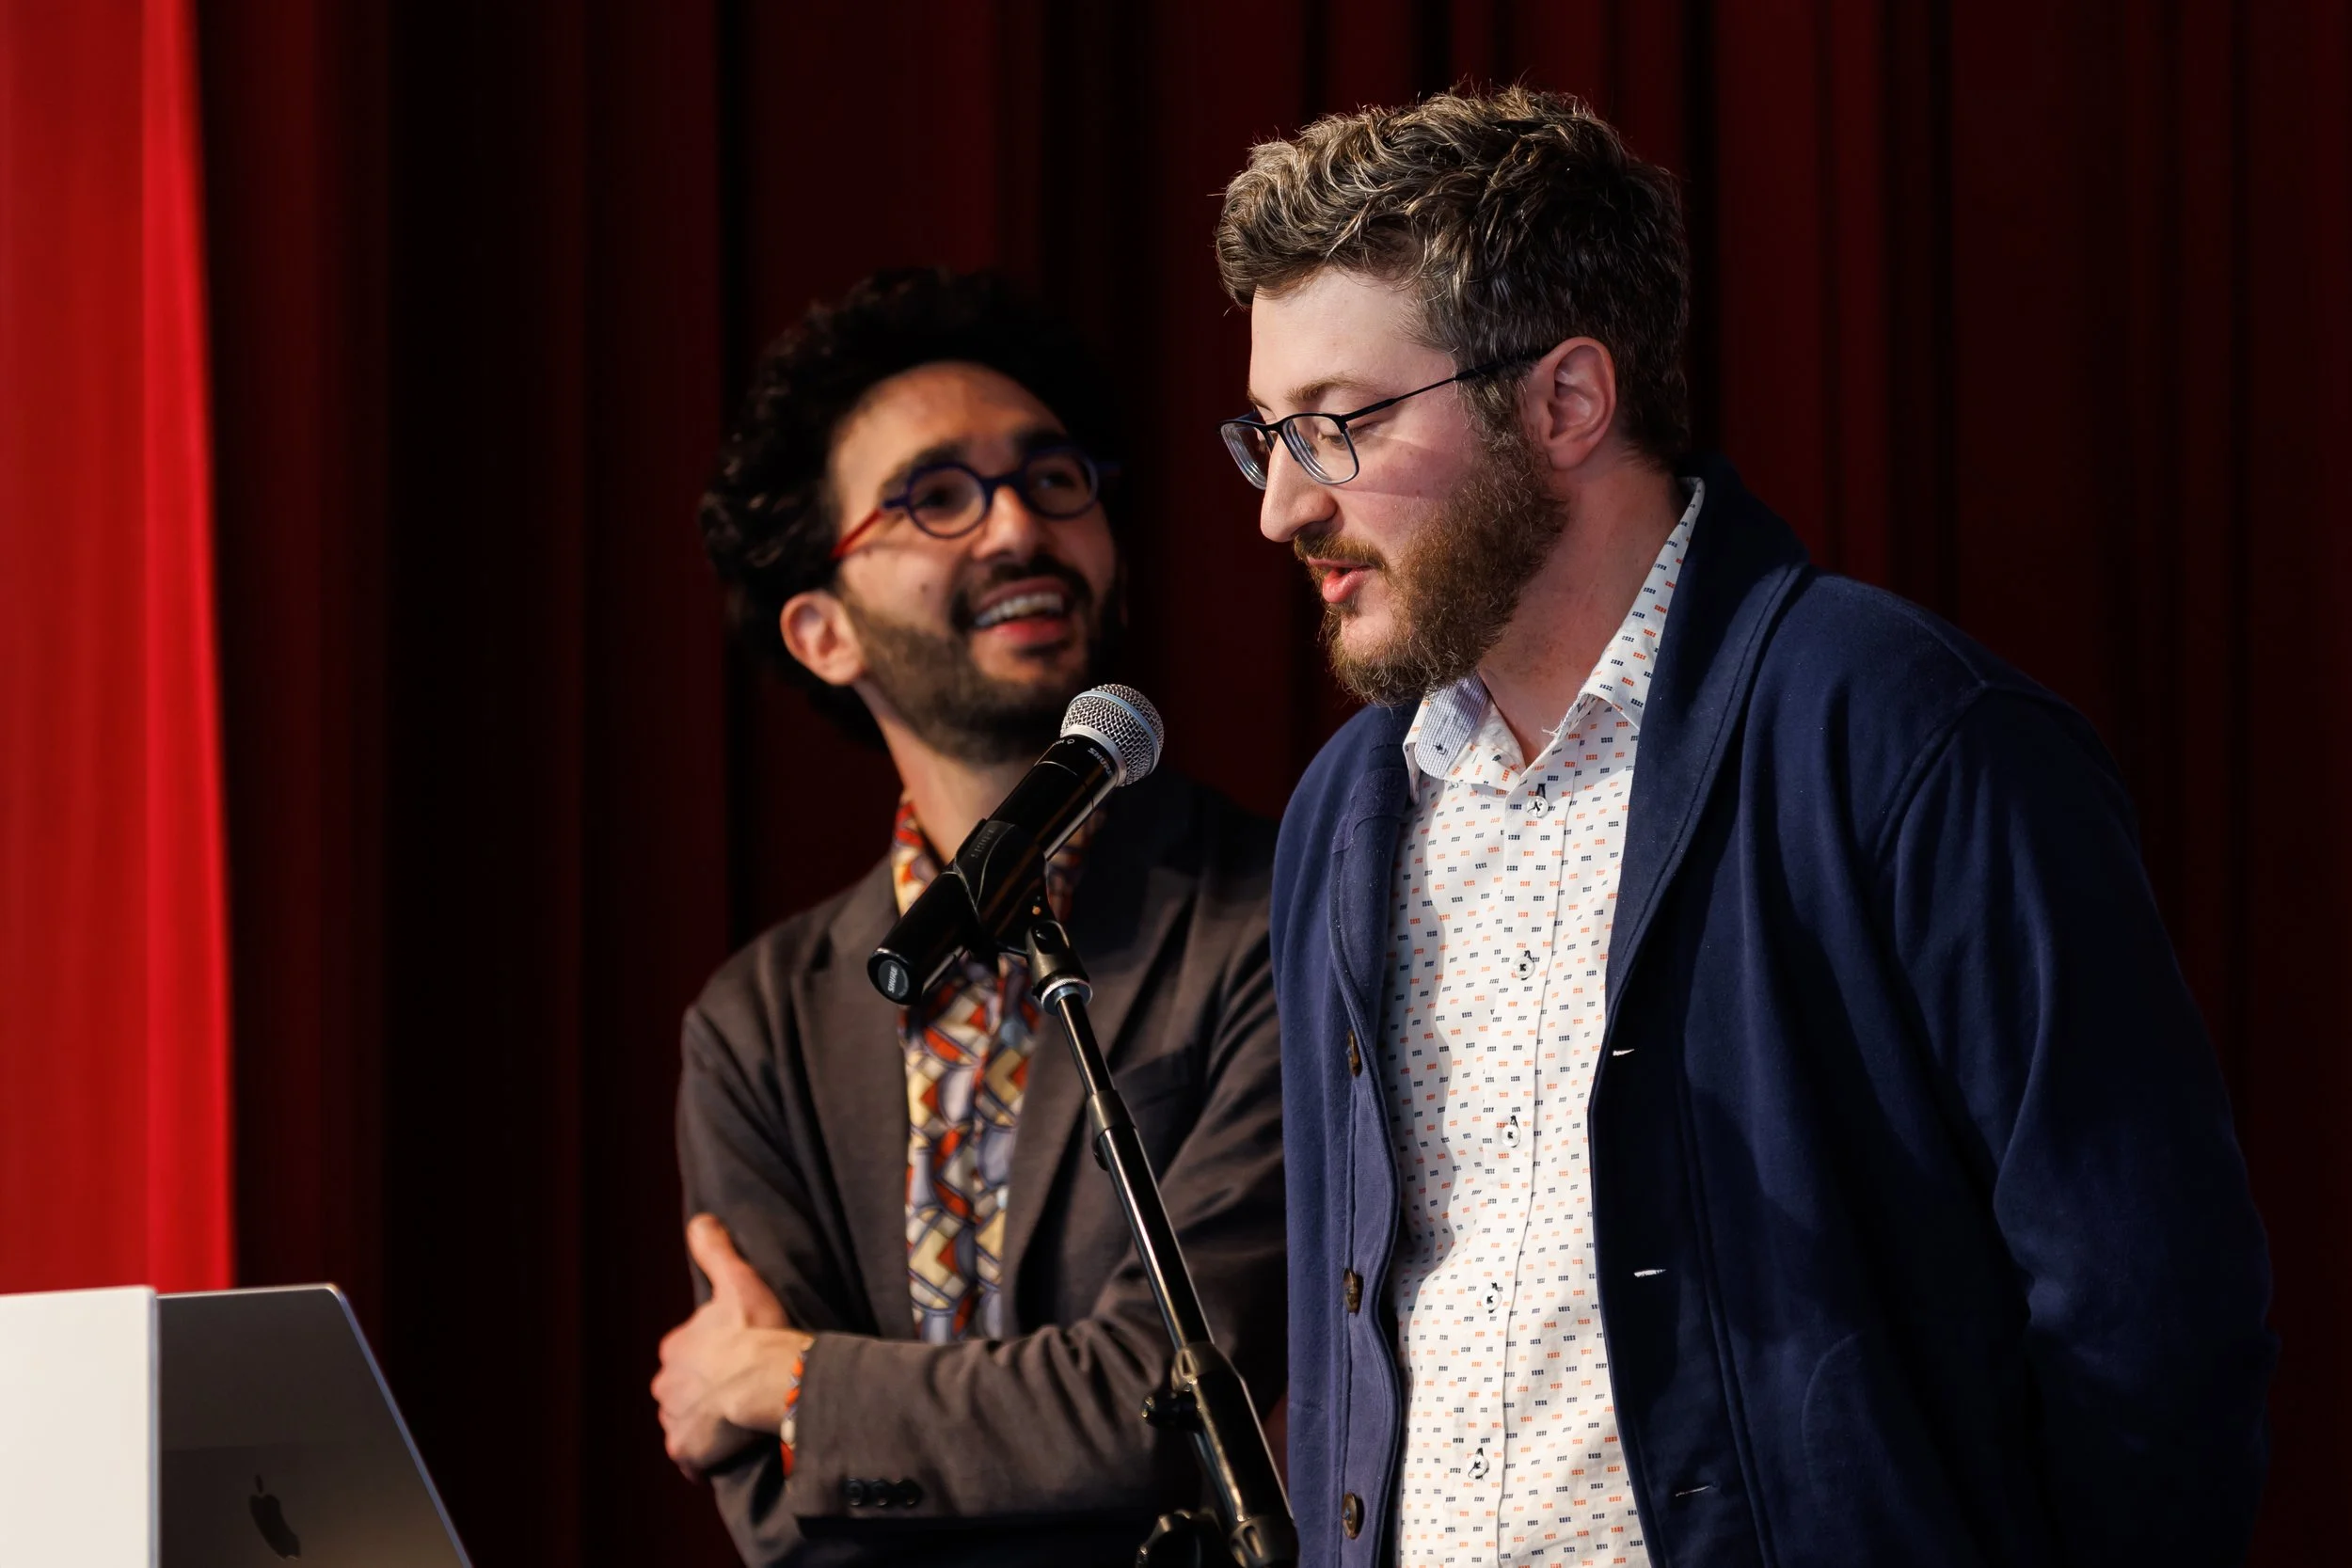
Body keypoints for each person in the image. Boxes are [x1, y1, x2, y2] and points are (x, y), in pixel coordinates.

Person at [1216, 87, 2274, 1568]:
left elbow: (2151, 1318)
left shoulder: (1907, 732)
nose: (1282, 507)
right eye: (1269, 435)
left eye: (1338, 425)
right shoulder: (1349, 807)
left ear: (1565, 402)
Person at [651, 268, 1286, 1566]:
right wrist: (801, 1419)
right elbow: (777, 1504)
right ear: (822, 632)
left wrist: (792, 1383)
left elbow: (1180, 1398)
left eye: (1053, 479)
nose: (1016, 527)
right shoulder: (756, 1024)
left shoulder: (1267, 914)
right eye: (936, 497)